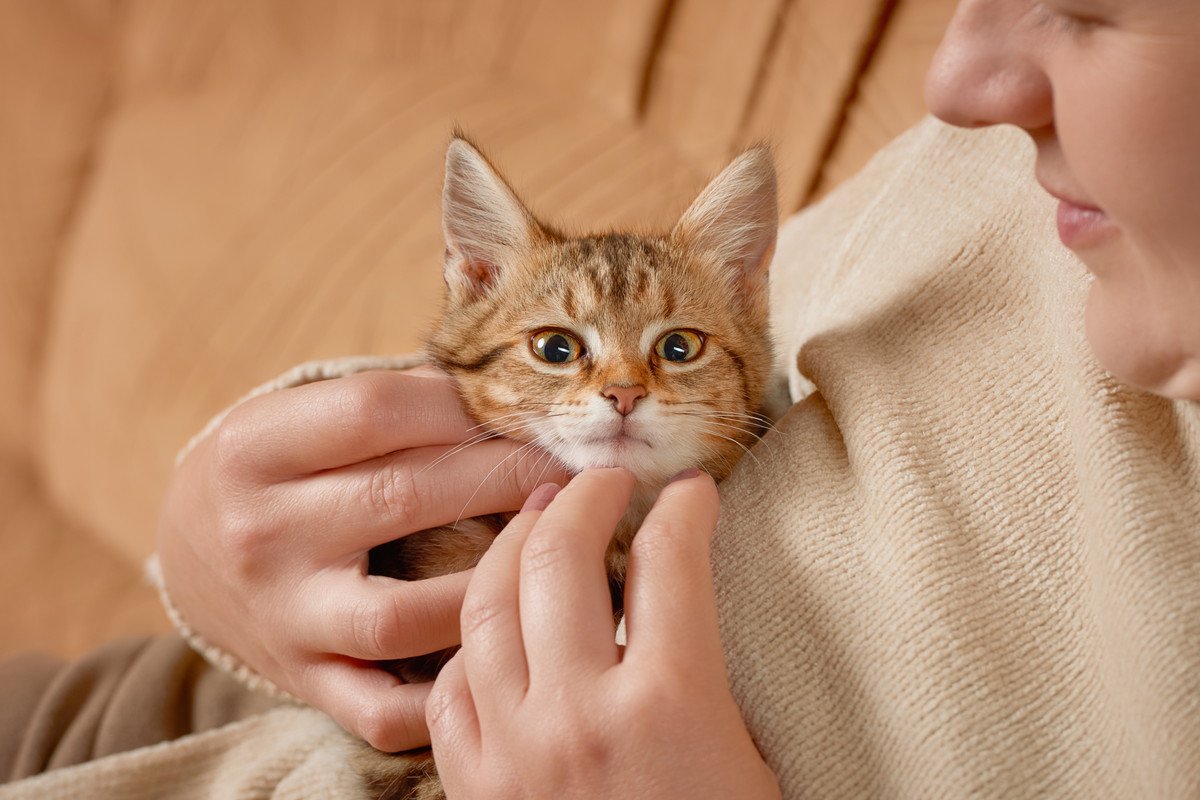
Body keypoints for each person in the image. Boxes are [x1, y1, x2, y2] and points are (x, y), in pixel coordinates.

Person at [3, 0, 1198, 796]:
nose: (963, 79)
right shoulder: (1022, 179)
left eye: (1096, 2)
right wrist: (240, 517)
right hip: (148, 691)